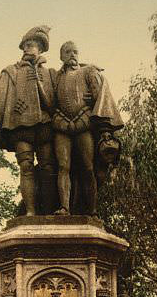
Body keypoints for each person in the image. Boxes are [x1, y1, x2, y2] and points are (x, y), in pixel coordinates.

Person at [0, 25, 57, 215]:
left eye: (30, 45)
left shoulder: (50, 73)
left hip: (45, 126)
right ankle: (30, 212)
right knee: (26, 167)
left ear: (40, 48)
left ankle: (48, 212)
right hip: (20, 126)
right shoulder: (10, 72)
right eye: (24, 45)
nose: (26, 49)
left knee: (48, 167)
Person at [52, 41, 123, 214]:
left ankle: (92, 210)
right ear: (61, 56)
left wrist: (105, 129)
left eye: (75, 51)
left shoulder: (88, 72)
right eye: (68, 52)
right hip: (61, 125)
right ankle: (64, 207)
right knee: (63, 166)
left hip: (84, 124)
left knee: (88, 167)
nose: (72, 55)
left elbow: (100, 98)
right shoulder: (56, 77)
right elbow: (50, 100)